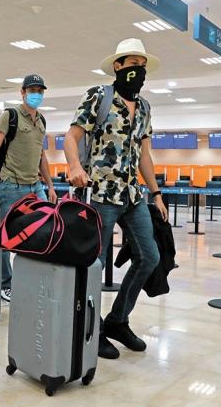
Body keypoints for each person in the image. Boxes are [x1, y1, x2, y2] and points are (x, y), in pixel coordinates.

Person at [64, 38, 168, 360]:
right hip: (100, 192)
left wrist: (156, 193)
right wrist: (74, 166)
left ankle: (117, 320)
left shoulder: (146, 108)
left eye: (142, 65)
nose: (138, 70)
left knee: (149, 257)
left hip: (133, 195)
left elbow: (144, 156)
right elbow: (72, 136)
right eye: (131, 64)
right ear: (118, 66)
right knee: (93, 263)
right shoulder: (99, 97)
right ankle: (88, 329)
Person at [0, 74, 57, 302]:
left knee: (44, 232)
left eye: (40, 90)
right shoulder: (11, 115)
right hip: (11, 185)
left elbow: (41, 156)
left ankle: (31, 277)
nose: (37, 94)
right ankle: (6, 283)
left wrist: (50, 185)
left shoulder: (42, 121)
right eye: (32, 90)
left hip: (36, 187)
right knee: (8, 237)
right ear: (23, 92)